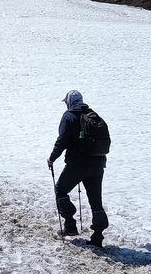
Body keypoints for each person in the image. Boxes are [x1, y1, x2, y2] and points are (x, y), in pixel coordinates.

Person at [47, 89, 110, 247]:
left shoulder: (68, 116)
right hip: (97, 164)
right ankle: (97, 237)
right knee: (96, 201)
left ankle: (70, 226)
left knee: (60, 191)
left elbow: (62, 141)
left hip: (77, 165)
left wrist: (52, 158)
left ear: (69, 101)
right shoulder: (93, 115)